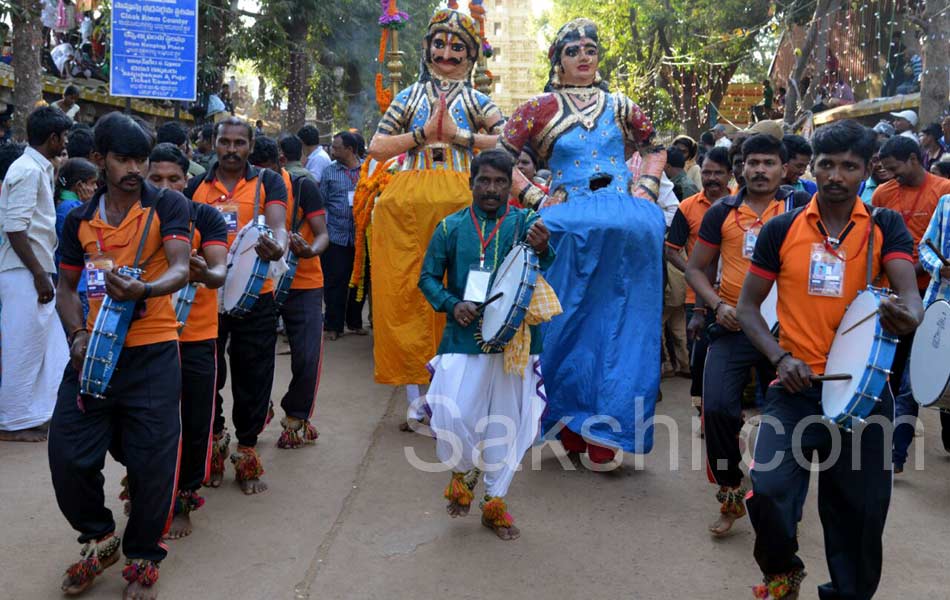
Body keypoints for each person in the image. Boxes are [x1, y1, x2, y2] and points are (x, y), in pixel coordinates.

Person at [736, 119, 922, 600]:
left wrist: (911, 313)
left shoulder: (885, 225)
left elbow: (909, 292)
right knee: (769, 490)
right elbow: (747, 307)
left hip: (864, 394)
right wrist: (779, 358)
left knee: (860, 515)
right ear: (812, 167)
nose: (836, 175)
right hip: (795, 387)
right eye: (826, 164)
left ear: (867, 169)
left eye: (849, 166)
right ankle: (782, 568)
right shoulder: (782, 228)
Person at [499, 18, 666, 465]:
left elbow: (655, 147)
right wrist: (536, 198)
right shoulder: (536, 108)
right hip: (567, 226)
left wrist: (645, 190)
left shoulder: (621, 104)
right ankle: (565, 422)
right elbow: (498, 158)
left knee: (622, 324)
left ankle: (608, 428)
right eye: (573, 50)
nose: (584, 56)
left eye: (591, 48)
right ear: (558, 60)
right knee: (563, 322)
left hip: (623, 224)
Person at [51, 112, 192, 599]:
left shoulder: (167, 205)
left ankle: (143, 557)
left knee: (154, 462)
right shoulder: (78, 219)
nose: (134, 168)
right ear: (97, 160)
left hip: (152, 352)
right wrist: (75, 335)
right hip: (92, 358)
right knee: (66, 455)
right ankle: (100, 535)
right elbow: (66, 286)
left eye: (141, 158)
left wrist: (145, 289)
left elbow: (180, 268)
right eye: (123, 158)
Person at [366, 7, 505, 426]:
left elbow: (508, 145)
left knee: (465, 294)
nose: (447, 52)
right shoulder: (408, 97)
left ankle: (460, 393)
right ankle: (417, 395)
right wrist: (424, 134)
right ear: (426, 49)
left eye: (457, 46)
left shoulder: (478, 100)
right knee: (410, 294)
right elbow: (376, 146)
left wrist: (458, 136)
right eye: (440, 44)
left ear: (470, 55)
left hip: (464, 201)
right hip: (409, 203)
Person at [419, 148, 555, 541]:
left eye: (500, 181)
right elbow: (427, 277)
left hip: (516, 342)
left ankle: (495, 502)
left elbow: (546, 262)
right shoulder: (450, 227)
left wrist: (544, 246)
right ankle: (464, 471)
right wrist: (451, 303)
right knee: (453, 414)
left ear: (510, 184)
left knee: (507, 423)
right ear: (471, 182)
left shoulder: (526, 222)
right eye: (484, 181)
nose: (492, 189)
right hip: (463, 336)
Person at [685, 134, 809, 537]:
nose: (759, 170)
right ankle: (731, 493)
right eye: (752, 162)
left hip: (787, 333)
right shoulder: (722, 210)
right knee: (718, 409)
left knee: (793, 417)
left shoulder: (802, 210)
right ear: (740, 167)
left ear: (784, 167)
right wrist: (717, 306)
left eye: (768, 163)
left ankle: (784, 499)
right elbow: (695, 269)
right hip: (735, 326)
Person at [184, 117, 288, 494]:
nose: (231, 149)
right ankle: (214, 441)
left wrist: (278, 248)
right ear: (214, 143)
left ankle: (246, 451)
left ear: (250, 145)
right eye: (225, 142)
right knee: (207, 375)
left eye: (239, 143)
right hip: (205, 298)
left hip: (256, 295)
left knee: (254, 375)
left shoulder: (267, 181)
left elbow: (277, 224)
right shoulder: (196, 185)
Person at [146, 143, 228, 539]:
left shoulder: (205, 216)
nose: (166, 187)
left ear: (187, 179)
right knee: (146, 426)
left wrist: (202, 272)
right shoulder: (139, 217)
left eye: (174, 179)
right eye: (156, 179)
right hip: (146, 340)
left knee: (195, 422)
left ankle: (184, 500)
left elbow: (219, 272)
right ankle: (148, 494)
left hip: (196, 335)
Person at [873, 135, 950, 473]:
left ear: (914, 160)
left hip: (924, 294)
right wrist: (936, 268)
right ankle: (896, 453)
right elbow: (930, 250)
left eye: (895, 169)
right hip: (919, 302)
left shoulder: (941, 189)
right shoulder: (884, 194)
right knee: (908, 377)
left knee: (940, 379)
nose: (892, 176)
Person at [249, 136, 329, 448]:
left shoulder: (303, 186)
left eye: (267, 171)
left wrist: (309, 251)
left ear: (281, 164)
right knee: (252, 358)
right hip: (257, 286)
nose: (261, 178)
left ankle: (296, 416)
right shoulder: (244, 188)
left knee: (308, 357)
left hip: (304, 282)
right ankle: (258, 409)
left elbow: (323, 234)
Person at [0, 106, 71, 442]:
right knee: (23, 347)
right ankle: (11, 423)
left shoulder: (37, 168)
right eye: (64, 137)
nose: (66, 143)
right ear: (53, 138)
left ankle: (42, 413)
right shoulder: (28, 170)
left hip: (33, 269)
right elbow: (15, 228)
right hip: (24, 271)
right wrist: (39, 275)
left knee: (53, 348)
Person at [666, 146, 732, 413]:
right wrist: (694, 274)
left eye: (718, 173)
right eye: (707, 172)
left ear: (730, 175)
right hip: (698, 301)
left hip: (737, 297)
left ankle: (727, 410)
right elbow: (671, 250)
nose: (712, 178)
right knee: (701, 357)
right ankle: (704, 410)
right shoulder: (687, 207)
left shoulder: (744, 206)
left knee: (730, 359)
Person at [320, 131, 365, 340]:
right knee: (335, 282)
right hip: (336, 236)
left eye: (337, 147)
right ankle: (333, 326)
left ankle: (354, 323)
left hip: (362, 237)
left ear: (350, 149)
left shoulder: (369, 170)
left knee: (359, 282)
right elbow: (322, 202)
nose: (333, 150)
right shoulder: (329, 172)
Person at [54, 157, 97, 320]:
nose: (95, 188)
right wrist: (91, 203)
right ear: (80, 186)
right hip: (79, 284)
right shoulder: (73, 209)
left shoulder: (66, 205)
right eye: (92, 183)